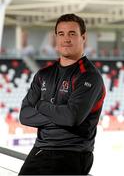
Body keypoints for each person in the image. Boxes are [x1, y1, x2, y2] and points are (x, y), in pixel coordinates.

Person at [18, 13, 106, 175]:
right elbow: (24, 115)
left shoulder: (89, 76)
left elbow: (71, 118)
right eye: (61, 34)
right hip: (39, 150)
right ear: (56, 37)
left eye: (72, 34)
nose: (66, 39)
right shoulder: (43, 74)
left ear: (83, 37)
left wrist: (41, 105)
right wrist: (60, 113)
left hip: (72, 153)